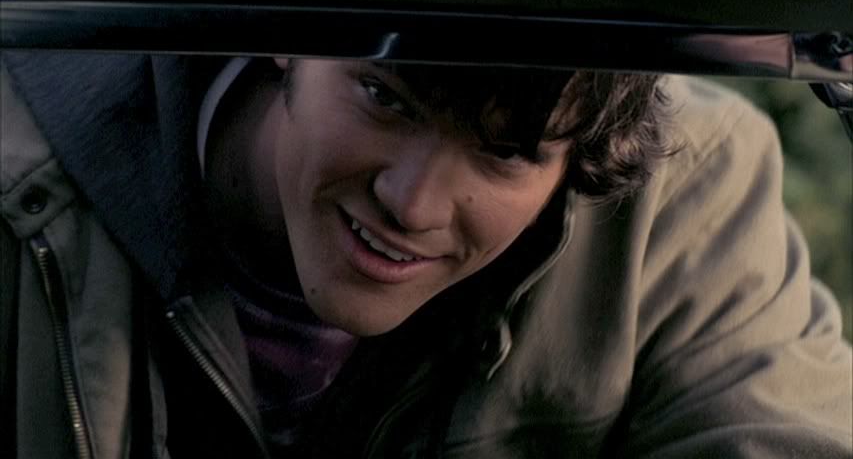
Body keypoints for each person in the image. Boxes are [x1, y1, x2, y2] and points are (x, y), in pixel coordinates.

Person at [1, 52, 850, 459]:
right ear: (287, 31)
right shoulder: (19, 169)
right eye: (384, 98)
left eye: (505, 152)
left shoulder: (690, 192)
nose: (413, 204)